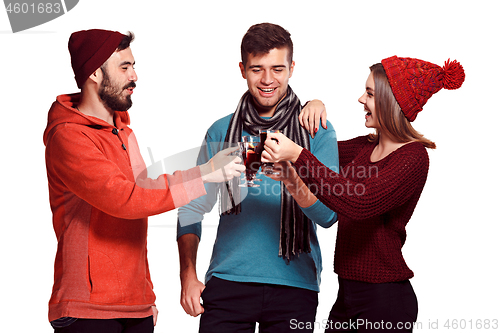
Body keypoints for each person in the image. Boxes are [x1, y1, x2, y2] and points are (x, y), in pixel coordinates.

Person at [43, 29, 244, 333]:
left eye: (134, 65)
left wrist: (145, 298)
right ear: (95, 73)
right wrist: (203, 175)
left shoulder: (125, 134)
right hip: (87, 310)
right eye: (124, 67)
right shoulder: (69, 137)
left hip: (136, 307)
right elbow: (124, 199)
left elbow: (144, 194)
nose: (134, 75)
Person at [262, 56, 465, 332]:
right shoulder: (364, 148)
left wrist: (297, 156)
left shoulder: (413, 158)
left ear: (390, 101)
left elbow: (358, 201)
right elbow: (318, 151)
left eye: (369, 93)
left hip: (385, 299)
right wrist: (313, 104)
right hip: (348, 294)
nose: (361, 99)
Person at [176, 23, 339, 333]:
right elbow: (191, 206)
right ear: (242, 69)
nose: (267, 80)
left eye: (277, 68)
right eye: (257, 69)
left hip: (295, 285)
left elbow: (329, 215)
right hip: (227, 282)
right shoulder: (221, 131)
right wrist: (187, 275)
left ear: (292, 68)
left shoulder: (317, 129)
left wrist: (292, 180)